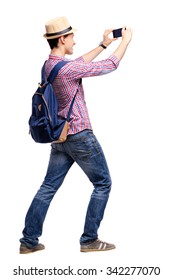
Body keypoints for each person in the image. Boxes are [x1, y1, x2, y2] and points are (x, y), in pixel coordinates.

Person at [19, 16, 132, 254]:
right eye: (71, 36)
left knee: (48, 186)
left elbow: (79, 63)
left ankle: (28, 241)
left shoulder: (50, 65)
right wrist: (126, 41)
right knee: (103, 183)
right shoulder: (67, 69)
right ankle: (89, 240)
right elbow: (110, 65)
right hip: (80, 135)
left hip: (60, 136)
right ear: (62, 38)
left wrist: (104, 44)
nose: (74, 40)